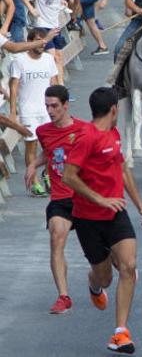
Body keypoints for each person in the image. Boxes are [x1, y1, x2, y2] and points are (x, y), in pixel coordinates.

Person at [61, 87, 142, 354]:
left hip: (116, 214)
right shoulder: (86, 137)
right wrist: (100, 199)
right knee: (104, 278)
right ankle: (93, 282)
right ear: (114, 109)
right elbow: (69, 176)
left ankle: (120, 333)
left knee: (129, 265)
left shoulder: (113, 133)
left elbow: (123, 169)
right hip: (88, 218)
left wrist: (141, 206)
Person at [24, 85, 85, 312]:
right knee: (56, 237)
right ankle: (63, 296)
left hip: (85, 197)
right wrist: (33, 164)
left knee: (104, 265)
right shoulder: (43, 131)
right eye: (47, 106)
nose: (50, 111)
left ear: (66, 105)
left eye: (55, 106)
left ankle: (97, 284)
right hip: (60, 198)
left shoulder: (84, 130)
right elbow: (48, 151)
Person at [10, 28, 59, 190]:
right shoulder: (19, 61)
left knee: (51, 146)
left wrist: (60, 108)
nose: (41, 44)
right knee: (32, 146)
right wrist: (13, 112)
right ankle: (35, 182)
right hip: (28, 110)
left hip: (48, 111)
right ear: (30, 42)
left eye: (43, 40)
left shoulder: (49, 59)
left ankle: (47, 173)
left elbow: (54, 85)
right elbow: (14, 88)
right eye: (38, 40)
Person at [20, 0, 68, 85]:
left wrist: (62, 2)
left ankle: (61, 87)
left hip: (55, 25)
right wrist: (31, 9)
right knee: (52, 57)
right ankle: (53, 88)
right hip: (43, 26)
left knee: (59, 57)